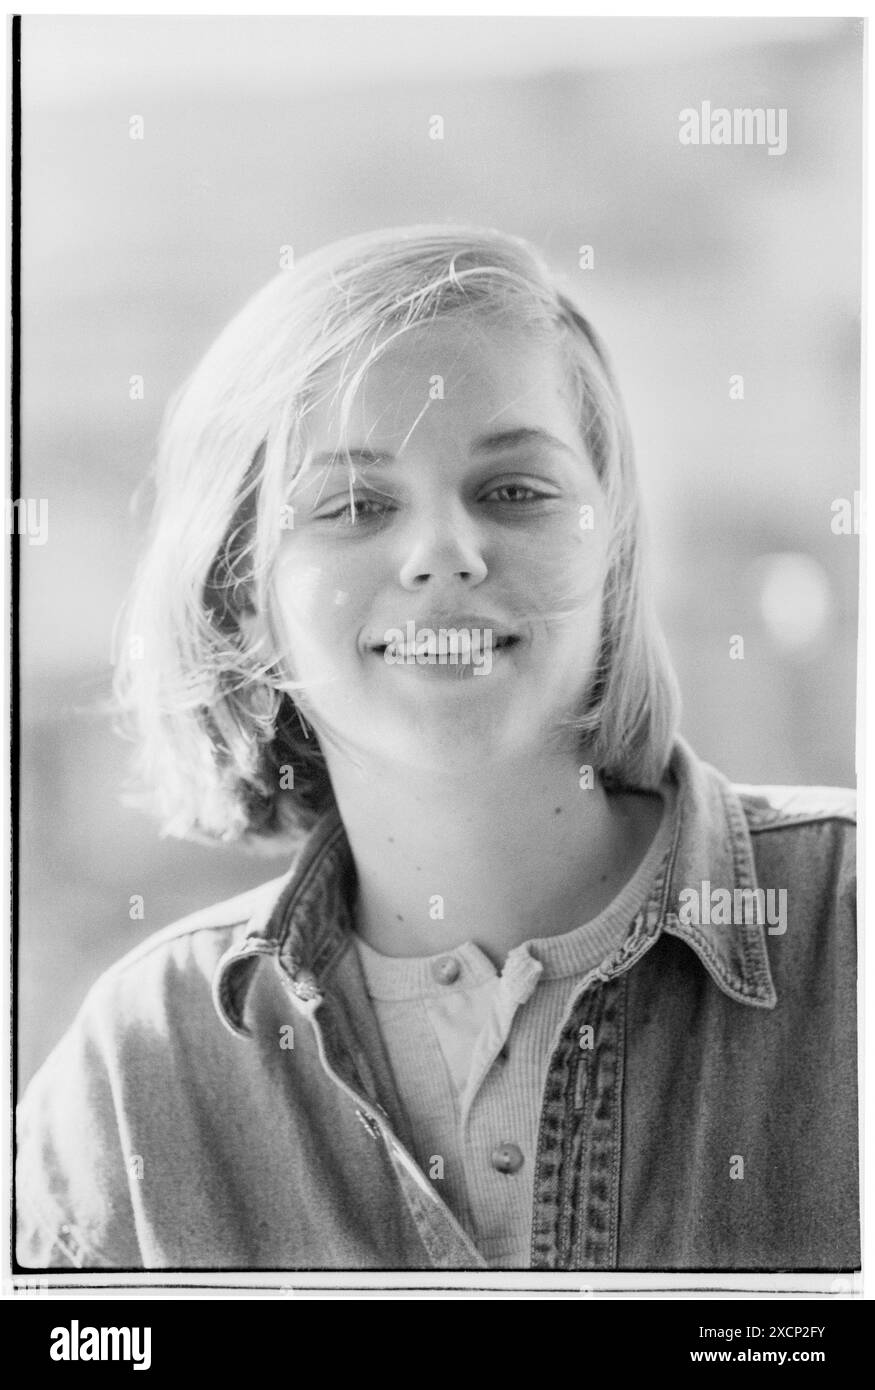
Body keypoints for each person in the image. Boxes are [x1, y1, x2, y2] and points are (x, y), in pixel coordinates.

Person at [17, 225, 858, 1272]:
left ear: (613, 549)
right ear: (242, 597)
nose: (443, 552)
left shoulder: (846, 923)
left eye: (513, 491)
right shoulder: (142, 1072)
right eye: (355, 504)